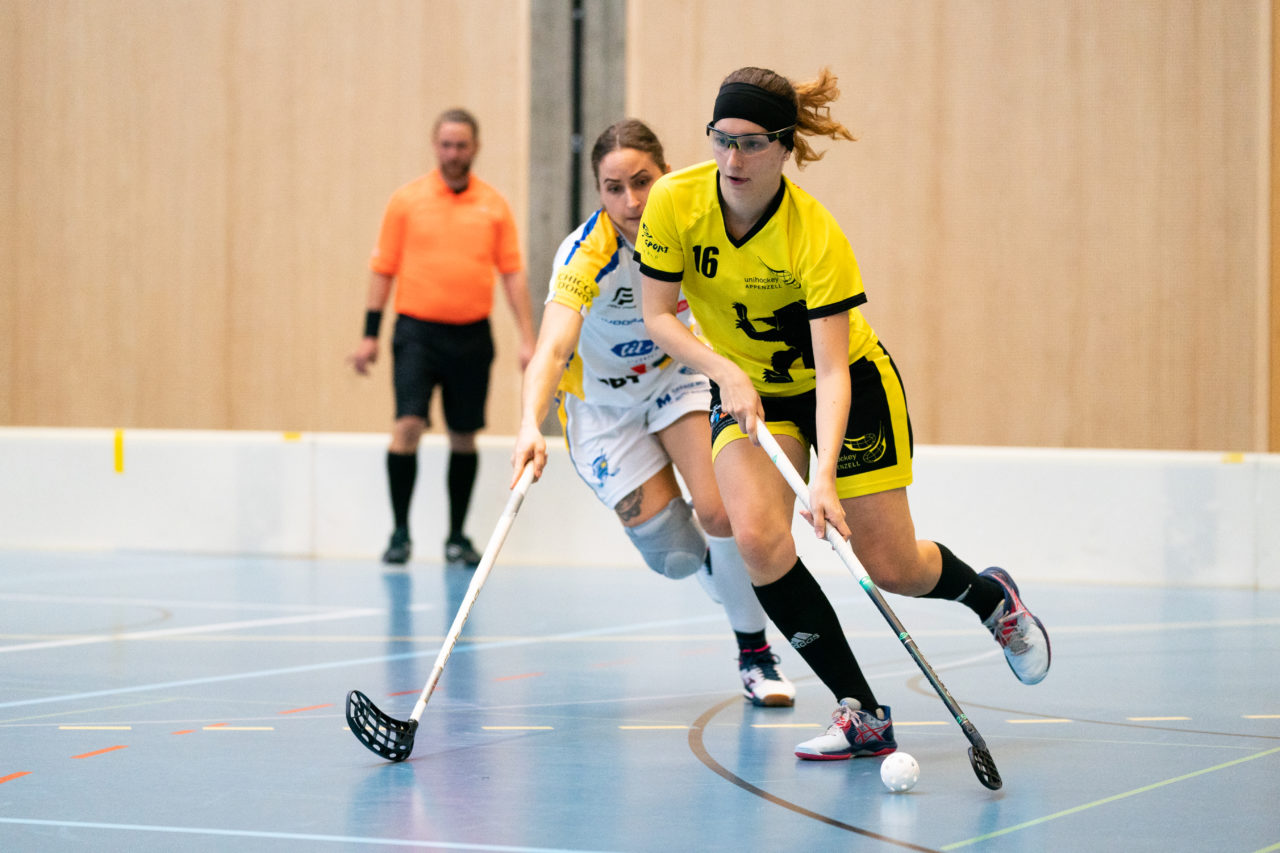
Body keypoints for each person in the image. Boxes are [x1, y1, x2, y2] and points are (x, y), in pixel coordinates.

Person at [636, 67, 1051, 759]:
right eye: (722, 141)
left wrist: (822, 474)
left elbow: (832, 370)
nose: (733, 161)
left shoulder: (814, 236)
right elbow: (658, 315)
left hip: (844, 386)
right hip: (748, 391)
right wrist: (725, 369)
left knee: (892, 565)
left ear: (784, 146)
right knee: (760, 539)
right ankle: (861, 711)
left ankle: (989, 598)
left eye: (752, 144)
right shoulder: (675, 203)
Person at [510, 119, 795, 707]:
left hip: (677, 378)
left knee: (721, 515)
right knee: (678, 557)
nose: (631, 201)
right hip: (602, 409)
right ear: (597, 190)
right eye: (613, 187)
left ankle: (755, 654)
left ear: (665, 171)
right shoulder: (584, 253)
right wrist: (526, 425)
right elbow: (554, 347)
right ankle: (718, 572)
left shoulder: (691, 222)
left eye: (642, 181)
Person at [351, 108, 536, 568]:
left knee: (463, 435)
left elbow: (512, 274)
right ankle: (399, 533)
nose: (454, 153)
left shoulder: (493, 206)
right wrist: (369, 336)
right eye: (446, 145)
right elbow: (383, 269)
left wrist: (528, 339)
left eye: (462, 145)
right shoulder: (407, 201)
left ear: (475, 148)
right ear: (436, 147)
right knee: (408, 425)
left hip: (472, 337)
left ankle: (456, 536)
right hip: (416, 333)